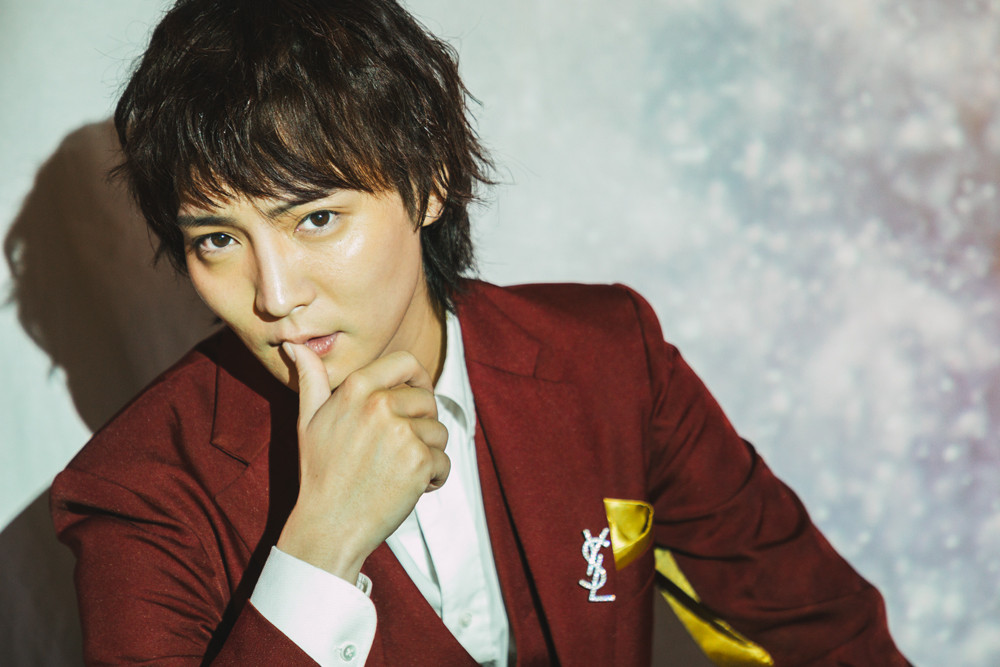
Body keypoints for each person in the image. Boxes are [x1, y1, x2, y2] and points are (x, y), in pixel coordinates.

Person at [51, 0, 911, 664]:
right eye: (217, 239)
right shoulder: (137, 490)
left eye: (315, 218)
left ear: (429, 180)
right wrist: (318, 548)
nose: (274, 296)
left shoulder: (610, 357)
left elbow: (822, 628)